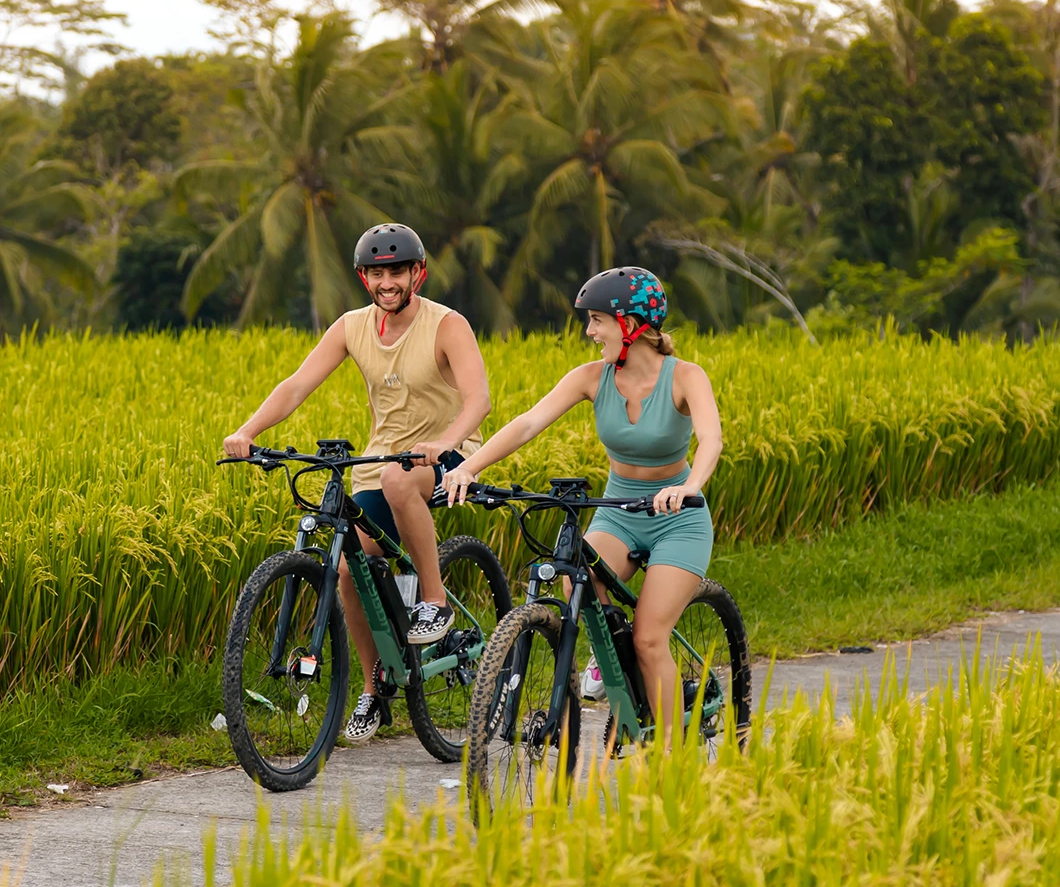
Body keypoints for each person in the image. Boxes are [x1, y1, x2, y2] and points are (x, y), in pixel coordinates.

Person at [223, 223, 491, 742]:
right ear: (363, 278)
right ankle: (375, 689)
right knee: (350, 571)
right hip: (382, 458)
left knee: (398, 480)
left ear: (418, 273)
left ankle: (434, 603)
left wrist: (446, 442)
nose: (387, 281)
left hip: (448, 453)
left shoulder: (447, 325)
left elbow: (478, 399)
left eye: (397, 271)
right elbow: (298, 384)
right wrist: (248, 430)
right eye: (376, 272)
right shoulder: (351, 326)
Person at [442, 267, 721, 740]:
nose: (590, 332)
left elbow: (711, 439)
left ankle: (677, 765)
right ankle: (616, 672)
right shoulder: (592, 378)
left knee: (650, 638)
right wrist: (471, 467)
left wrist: (689, 485)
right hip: (617, 511)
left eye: (597, 320)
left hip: (678, 519)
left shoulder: (685, 377)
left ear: (632, 324)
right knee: (576, 583)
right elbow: (528, 424)